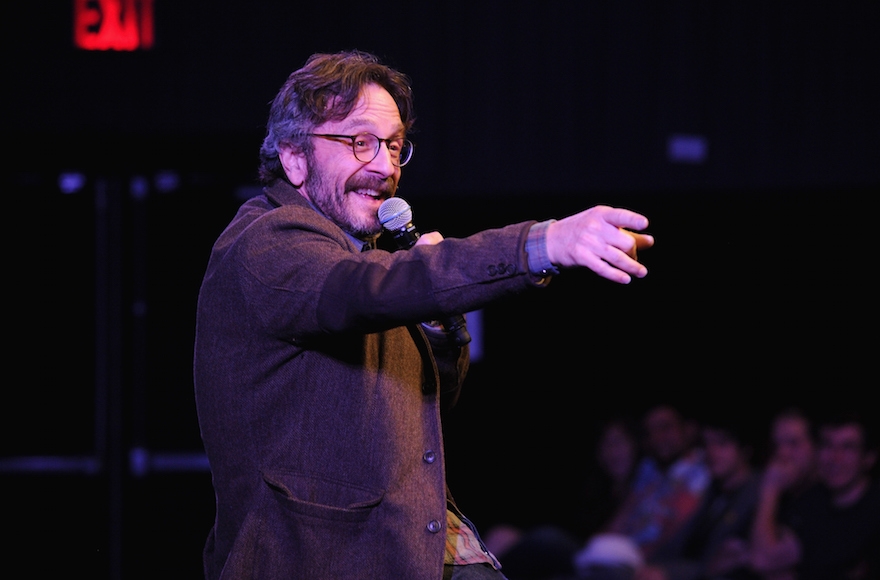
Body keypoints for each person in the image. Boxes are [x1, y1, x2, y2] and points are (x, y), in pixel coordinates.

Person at [193, 50, 654, 580]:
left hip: (415, 545)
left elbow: (424, 403)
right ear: (295, 157)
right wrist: (542, 243)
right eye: (359, 142)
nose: (386, 167)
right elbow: (365, 290)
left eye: (393, 146)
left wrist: (438, 334)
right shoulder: (267, 242)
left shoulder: (364, 257)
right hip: (321, 558)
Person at [484, 415, 641, 580]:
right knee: (501, 535)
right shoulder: (599, 489)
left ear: (635, 444)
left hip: (611, 555)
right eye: (605, 445)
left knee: (546, 538)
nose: (611, 452)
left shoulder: (646, 484)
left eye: (617, 443)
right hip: (584, 549)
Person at [574, 403, 710, 579]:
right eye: (650, 432)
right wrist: (596, 548)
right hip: (619, 553)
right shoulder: (649, 467)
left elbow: (675, 530)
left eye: (665, 428)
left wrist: (638, 563)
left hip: (650, 562)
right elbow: (622, 516)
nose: (657, 438)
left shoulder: (699, 468)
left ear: (688, 430)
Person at [749, 409, 880, 580]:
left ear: (869, 458)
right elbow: (765, 558)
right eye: (827, 445)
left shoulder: (874, 509)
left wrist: (770, 489)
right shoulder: (813, 500)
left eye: (848, 448)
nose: (835, 458)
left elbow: (764, 560)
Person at [632, 412, 763, 580]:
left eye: (721, 443)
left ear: (744, 449)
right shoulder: (714, 489)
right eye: (707, 444)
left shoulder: (755, 491)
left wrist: (666, 572)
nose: (712, 451)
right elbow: (680, 541)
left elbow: (720, 563)